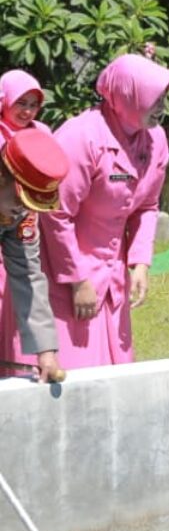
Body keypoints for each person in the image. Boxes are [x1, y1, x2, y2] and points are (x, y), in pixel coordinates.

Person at [40, 53, 169, 367]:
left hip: (111, 274)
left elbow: (148, 206)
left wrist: (140, 262)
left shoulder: (155, 139)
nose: (162, 107)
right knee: (75, 371)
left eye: (164, 97)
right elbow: (55, 212)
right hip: (66, 268)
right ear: (128, 95)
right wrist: (77, 279)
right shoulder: (80, 137)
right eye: (154, 98)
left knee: (116, 374)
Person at [0, 129, 68, 382]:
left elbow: (28, 276)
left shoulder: (21, 212)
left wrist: (45, 350)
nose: (24, 210)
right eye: (21, 199)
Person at [0, 69, 54, 368]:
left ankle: (46, 354)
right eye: (21, 102)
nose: (28, 110)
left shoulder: (41, 133)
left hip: (23, 216)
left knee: (31, 277)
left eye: (34, 104)